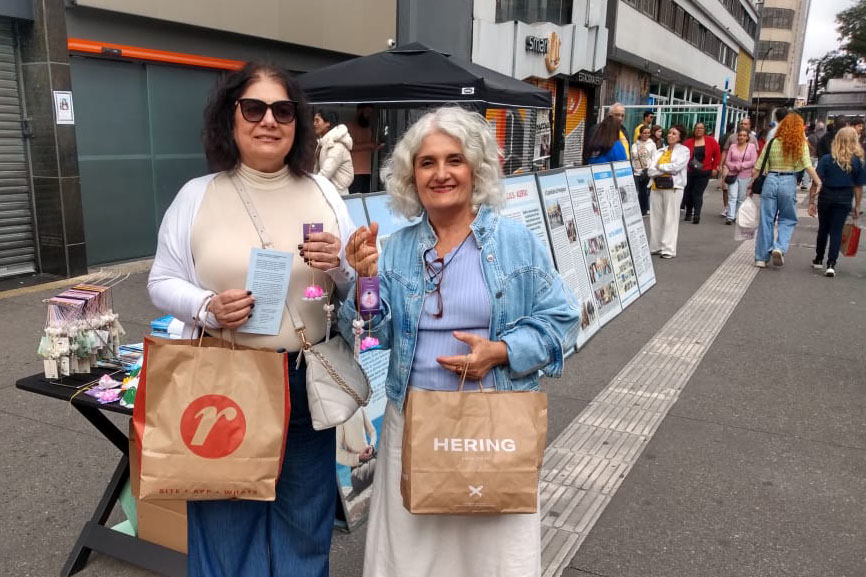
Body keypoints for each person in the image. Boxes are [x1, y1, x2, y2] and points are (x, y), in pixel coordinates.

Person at [338, 106, 580, 577]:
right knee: (412, 557)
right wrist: (365, 280)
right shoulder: (399, 248)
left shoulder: (513, 242)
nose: (441, 173)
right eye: (427, 162)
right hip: (413, 422)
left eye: (455, 160)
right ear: (411, 176)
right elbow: (368, 334)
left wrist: (502, 352)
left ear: (477, 168)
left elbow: (563, 318)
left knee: (490, 557)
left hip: (494, 421)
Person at [148, 62, 355, 577]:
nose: (268, 120)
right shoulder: (197, 195)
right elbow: (161, 280)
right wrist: (206, 306)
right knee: (225, 525)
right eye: (254, 108)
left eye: (283, 110)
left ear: (297, 122)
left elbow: (355, 285)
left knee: (304, 529)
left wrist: (342, 266)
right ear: (231, 117)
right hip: (225, 382)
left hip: (304, 382)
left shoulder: (325, 192)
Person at [751, 112, 822, 268]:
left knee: (766, 220)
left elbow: (757, 168)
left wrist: (750, 186)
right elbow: (807, 165)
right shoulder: (799, 144)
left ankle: (761, 258)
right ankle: (779, 247)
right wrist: (818, 182)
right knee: (788, 218)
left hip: (770, 180)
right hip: (788, 180)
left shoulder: (772, 142)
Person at [809, 126, 864, 277]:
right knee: (837, 230)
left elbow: (816, 181)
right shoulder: (857, 162)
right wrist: (857, 205)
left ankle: (818, 258)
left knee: (823, 228)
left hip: (826, 196)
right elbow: (858, 187)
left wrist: (811, 201)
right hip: (845, 198)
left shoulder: (827, 159)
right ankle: (831, 264)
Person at [648, 124, 690, 258]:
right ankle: (656, 246)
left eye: (674, 133)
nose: (670, 135)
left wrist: (660, 167)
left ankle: (668, 249)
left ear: (680, 137)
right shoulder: (660, 151)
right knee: (656, 217)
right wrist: (665, 169)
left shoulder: (684, 151)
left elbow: (676, 167)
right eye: (670, 133)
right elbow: (650, 170)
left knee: (671, 218)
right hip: (656, 186)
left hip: (673, 187)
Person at [682, 122, 721, 224]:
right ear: (694, 130)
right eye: (697, 128)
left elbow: (717, 154)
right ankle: (688, 213)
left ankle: (697, 215)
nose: (699, 130)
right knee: (688, 193)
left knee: (697, 193)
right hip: (690, 171)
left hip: (704, 171)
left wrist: (715, 168)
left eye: (701, 128)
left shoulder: (711, 141)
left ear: (704, 130)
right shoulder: (688, 142)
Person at [336, 407, 378, 497]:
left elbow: (372, 431)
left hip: (370, 457)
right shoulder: (339, 418)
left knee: (384, 453)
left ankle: (376, 464)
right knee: (356, 479)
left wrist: (372, 445)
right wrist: (359, 457)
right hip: (358, 468)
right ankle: (377, 465)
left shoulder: (359, 407)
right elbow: (337, 454)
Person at [720, 118, 758, 216]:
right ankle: (730, 216)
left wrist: (746, 167)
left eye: (745, 124)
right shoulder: (732, 141)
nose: (741, 137)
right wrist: (724, 165)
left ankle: (736, 214)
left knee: (740, 197)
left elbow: (754, 159)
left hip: (745, 174)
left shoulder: (753, 142)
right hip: (732, 173)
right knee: (732, 195)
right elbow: (726, 155)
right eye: (742, 123)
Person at [314, 108, 354, 195]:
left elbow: (325, 173)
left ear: (327, 123)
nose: (314, 124)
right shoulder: (323, 142)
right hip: (328, 192)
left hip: (338, 195)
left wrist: (310, 186)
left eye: (317, 120)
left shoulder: (336, 146)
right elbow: (317, 169)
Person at [347, 105, 380, 194]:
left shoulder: (367, 128)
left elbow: (366, 147)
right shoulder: (350, 126)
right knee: (355, 198)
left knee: (365, 197)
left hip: (367, 170)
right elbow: (351, 146)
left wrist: (374, 146)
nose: (369, 115)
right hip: (354, 171)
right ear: (359, 111)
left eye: (370, 113)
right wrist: (370, 144)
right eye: (367, 112)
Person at [631, 125, 657, 216]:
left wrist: (651, 169)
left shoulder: (652, 144)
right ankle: (635, 209)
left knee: (644, 192)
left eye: (648, 133)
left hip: (646, 171)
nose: (646, 135)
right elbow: (632, 158)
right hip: (636, 171)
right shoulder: (635, 145)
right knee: (635, 191)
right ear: (640, 134)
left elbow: (654, 158)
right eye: (644, 133)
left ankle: (643, 210)